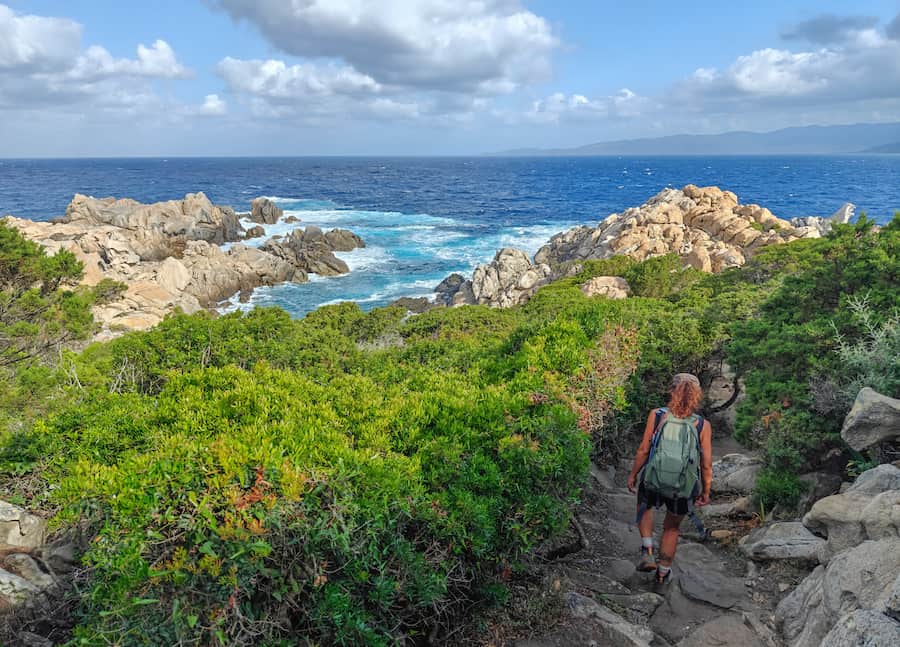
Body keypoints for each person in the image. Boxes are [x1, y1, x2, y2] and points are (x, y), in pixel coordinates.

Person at [626, 373, 712, 584]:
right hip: (683, 487)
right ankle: (663, 574)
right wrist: (706, 490)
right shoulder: (702, 425)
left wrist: (633, 474)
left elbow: (644, 449)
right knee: (672, 528)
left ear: (671, 390)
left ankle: (647, 549)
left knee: (645, 508)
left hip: (653, 479)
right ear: (696, 395)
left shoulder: (657, 415)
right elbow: (706, 463)